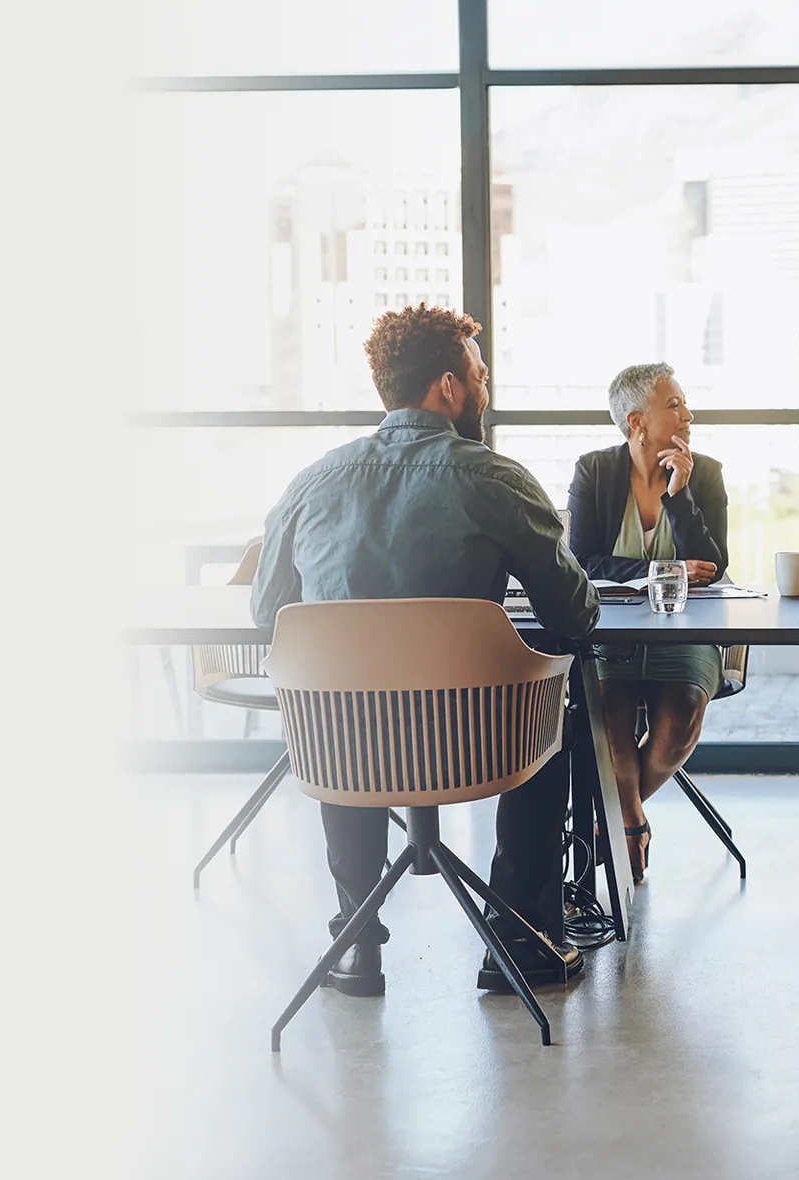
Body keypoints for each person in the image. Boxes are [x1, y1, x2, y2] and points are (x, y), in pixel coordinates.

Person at [250, 303, 601, 999]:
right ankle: (519, 940)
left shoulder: (310, 483)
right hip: (476, 747)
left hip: (342, 751)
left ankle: (355, 942)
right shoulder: (494, 478)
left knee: (342, 698)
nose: (486, 387)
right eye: (480, 374)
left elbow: (269, 614)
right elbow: (574, 614)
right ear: (448, 387)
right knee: (550, 693)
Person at [565, 363, 728, 885]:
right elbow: (581, 562)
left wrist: (679, 495)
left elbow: (713, 566)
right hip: (609, 636)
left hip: (686, 635)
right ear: (636, 420)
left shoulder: (705, 472)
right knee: (610, 731)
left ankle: (602, 818)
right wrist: (664, 570)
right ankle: (630, 822)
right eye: (675, 404)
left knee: (674, 728)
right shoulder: (594, 471)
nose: (689, 413)